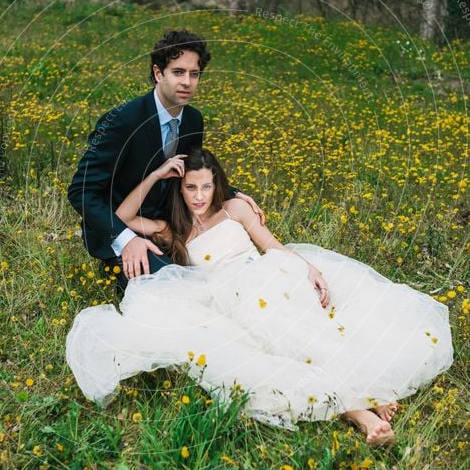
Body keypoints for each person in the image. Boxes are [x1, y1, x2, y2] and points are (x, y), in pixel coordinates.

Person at [66, 149, 454, 446]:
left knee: (308, 332)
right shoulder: (174, 231)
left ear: (218, 184)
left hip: (270, 278)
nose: (199, 196)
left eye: (206, 186)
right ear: (179, 188)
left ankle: (368, 391)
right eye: (191, 187)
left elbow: (272, 246)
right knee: (280, 349)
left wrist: (309, 268)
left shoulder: (234, 209)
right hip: (228, 296)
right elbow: (124, 217)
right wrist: (155, 175)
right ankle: (364, 411)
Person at [67, 29, 263, 293]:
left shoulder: (193, 119)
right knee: (168, 292)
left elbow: (191, 174)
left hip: (169, 226)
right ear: (158, 74)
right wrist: (126, 239)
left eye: (194, 74)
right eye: (178, 72)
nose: (187, 82)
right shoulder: (122, 122)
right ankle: (118, 261)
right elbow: (81, 191)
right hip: (123, 225)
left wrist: (235, 194)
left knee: (225, 281)